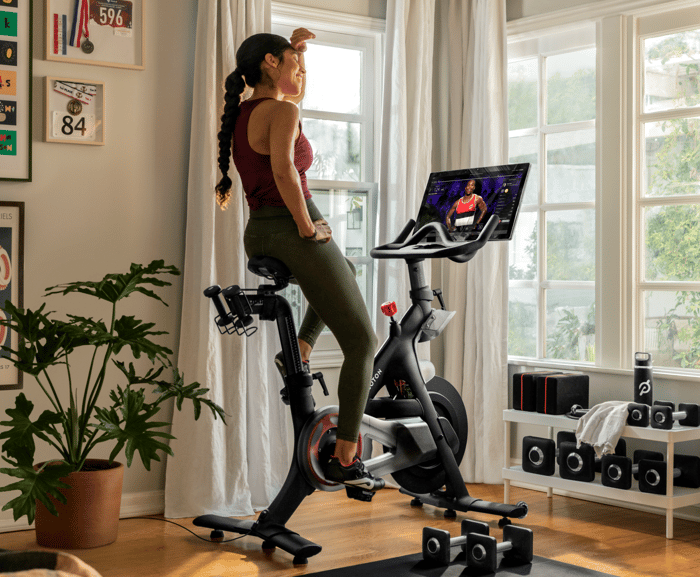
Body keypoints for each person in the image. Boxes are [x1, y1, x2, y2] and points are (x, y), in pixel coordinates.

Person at [214, 29, 383, 492]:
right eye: (294, 64)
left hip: (261, 228)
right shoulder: (283, 111)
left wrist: (294, 50)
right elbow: (286, 169)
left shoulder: (247, 110)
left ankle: (303, 346)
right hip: (292, 221)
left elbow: (289, 90)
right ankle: (348, 453)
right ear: (269, 62)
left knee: (344, 269)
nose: (301, 74)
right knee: (363, 343)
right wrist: (308, 228)